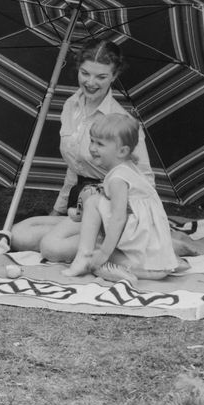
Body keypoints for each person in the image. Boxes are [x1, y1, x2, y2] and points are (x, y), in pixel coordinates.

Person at [9, 41, 156, 263]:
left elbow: (145, 181)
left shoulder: (122, 123)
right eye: (85, 73)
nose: (90, 82)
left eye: (101, 77)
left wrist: (113, 207)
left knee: (52, 249)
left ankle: (126, 245)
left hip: (109, 208)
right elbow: (75, 166)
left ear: (114, 76)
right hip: (79, 204)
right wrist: (58, 210)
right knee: (19, 234)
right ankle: (97, 241)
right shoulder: (71, 105)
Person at [62, 113, 180, 282]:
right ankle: (131, 266)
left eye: (100, 144)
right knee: (96, 199)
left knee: (94, 204)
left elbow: (118, 218)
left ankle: (85, 257)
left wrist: (104, 253)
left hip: (143, 260)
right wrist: (81, 212)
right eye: (92, 140)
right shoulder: (128, 168)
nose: (92, 148)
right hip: (156, 258)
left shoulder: (118, 179)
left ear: (122, 151)